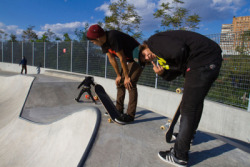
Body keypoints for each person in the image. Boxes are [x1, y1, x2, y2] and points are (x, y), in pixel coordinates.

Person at [139, 30, 222, 167]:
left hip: (201, 61)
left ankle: (179, 155)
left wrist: (182, 69)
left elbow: (180, 50)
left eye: (144, 54)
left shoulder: (154, 42)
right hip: (209, 60)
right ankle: (187, 137)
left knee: (188, 108)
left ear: (144, 47)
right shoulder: (162, 52)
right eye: (146, 60)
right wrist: (163, 73)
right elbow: (177, 70)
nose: (148, 57)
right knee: (195, 104)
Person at [86, 24, 144, 124]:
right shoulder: (103, 43)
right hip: (129, 59)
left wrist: (126, 77)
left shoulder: (113, 37)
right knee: (120, 83)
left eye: (93, 41)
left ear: (98, 38)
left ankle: (130, 116)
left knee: (130, 83)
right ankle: (118, 109)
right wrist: (118, 76)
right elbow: (111, 58)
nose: (94, 43)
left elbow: (122, 58)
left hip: (139, 57)